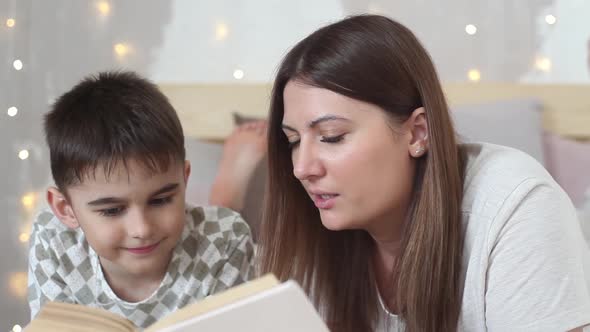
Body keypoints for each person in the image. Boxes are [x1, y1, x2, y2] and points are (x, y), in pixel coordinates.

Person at [257, 14, 590, 331]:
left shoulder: (516, 206)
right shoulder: (310, 236)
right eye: (293, 141)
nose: (302, 168)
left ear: (418, 133)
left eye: (332, 137)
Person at [27, 71, 255, 328]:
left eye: (160, 200)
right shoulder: (54, 241)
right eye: (112, 210)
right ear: (64, 209)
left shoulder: (225, 240)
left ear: (184, 179)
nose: (142, 229)